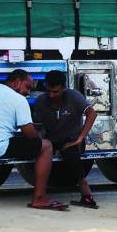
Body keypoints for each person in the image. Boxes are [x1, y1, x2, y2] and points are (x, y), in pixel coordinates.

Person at [0, 68, 67, 211]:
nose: (28, 92)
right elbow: (31, 136)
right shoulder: (19, 100)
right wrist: (42, 137)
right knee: (46, 146)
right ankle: (39, 199)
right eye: (27, 87)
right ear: (16, 82)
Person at [31, 69, 99, 208]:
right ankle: (39, 194)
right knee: (41, 150)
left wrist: (80, 138)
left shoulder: (74, 96)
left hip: (72, 138)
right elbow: (36, 127)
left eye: (56, 92)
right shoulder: (41, 101)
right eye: (49, 91)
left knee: (71, 152)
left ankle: (86, 194)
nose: (52, 95)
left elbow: (92, 113)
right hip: (51, 139)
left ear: (64, 88)